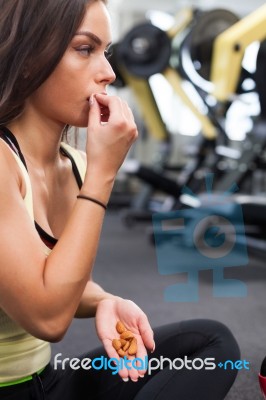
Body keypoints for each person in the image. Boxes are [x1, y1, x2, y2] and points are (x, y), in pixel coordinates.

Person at [0, 0, 240, 399]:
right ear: (28, 58)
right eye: (84, 49)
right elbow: (47, 315)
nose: (109, 73)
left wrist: (105, 301)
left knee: (211, 345)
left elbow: (54, 276)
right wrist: (102, 174)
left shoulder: (73, 164)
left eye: (106, 52)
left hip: (46, 382)